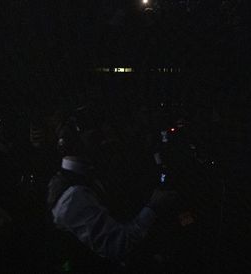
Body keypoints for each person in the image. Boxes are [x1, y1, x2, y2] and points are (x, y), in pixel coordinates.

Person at [47, 114, 179, 267]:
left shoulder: (84, 177)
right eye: (98, 138)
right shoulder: (72, 196)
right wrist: (153, 207)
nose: (106, 143)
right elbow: (117, 246)